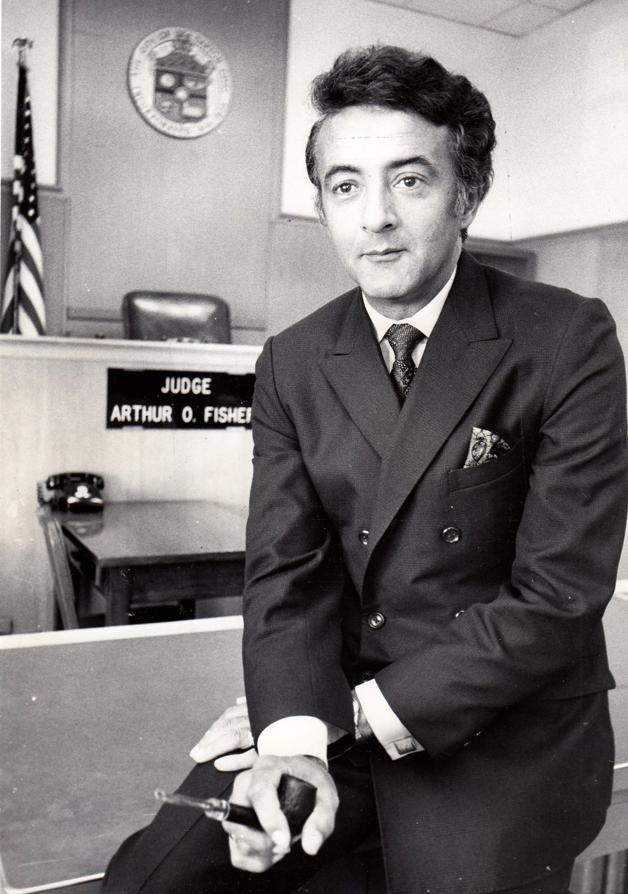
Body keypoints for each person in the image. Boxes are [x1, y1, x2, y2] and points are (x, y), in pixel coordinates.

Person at [102, 45, 627, 894]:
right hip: (333, 713)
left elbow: (557, 598)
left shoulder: (567, 339)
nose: (373, 216)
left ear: (469, 192)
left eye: (409, 181)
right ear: (322, 206)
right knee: (155, 880)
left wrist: (351, 713)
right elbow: (285, 573)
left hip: (498, 732)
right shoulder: (294, 360)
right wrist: (293, 744)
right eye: (344, 185)